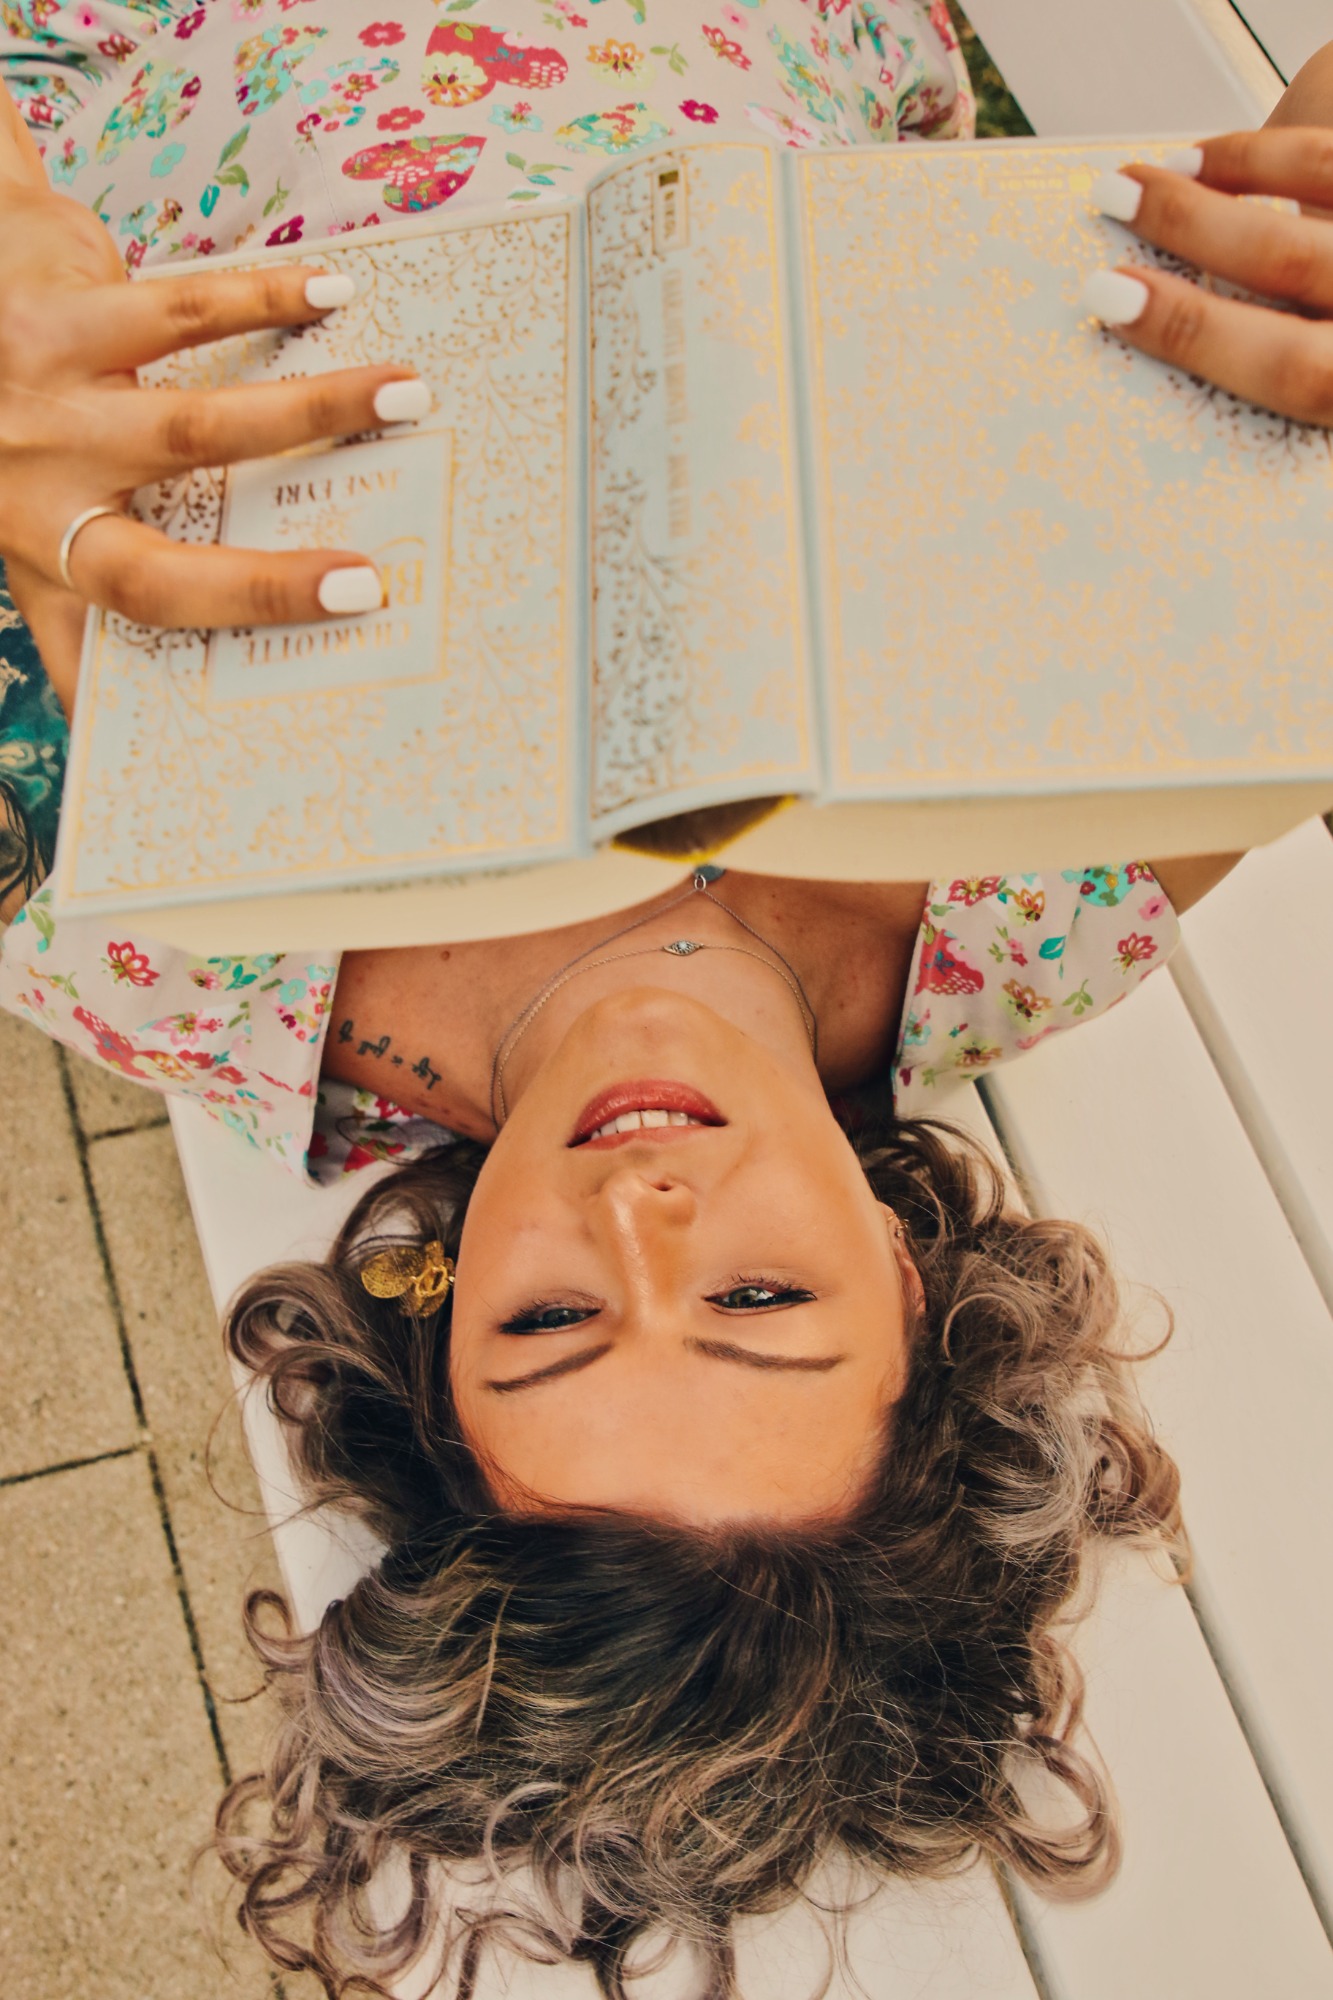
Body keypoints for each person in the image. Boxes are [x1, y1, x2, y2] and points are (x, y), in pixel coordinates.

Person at [2, 8, 1333, 1995]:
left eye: (551, 1325)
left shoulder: (160, 940)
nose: (642, 1220)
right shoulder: (1055, 880)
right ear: (910, 1281)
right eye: (760, 1301)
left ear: (438, 1332)